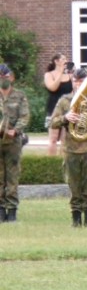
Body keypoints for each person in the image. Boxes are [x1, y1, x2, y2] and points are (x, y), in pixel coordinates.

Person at [49, 68, 87, 227]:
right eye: (76, 81)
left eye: (82, 81)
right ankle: (75, 222)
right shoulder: (64, 101)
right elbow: (52, 122)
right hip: (70, 149)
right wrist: (65, 118)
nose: (78, 84)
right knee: (74, 188)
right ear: (72, 82)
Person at [0, 64, 31, 222]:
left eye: (4, 76)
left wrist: (16, 130)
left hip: (13, 141)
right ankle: (0, 210)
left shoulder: (19, 95)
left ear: (11, 77)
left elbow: (25, 116)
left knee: (12, 177)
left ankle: (11, 210)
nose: (2, 79)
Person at [43, 53, 73, 155]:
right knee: (53, 138)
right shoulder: (49, 74)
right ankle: (52, 162)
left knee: (65, 139)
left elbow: (74, 91)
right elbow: (52, 88)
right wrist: (60, 72)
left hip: (67, 108)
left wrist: (72, 74)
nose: (66, 61)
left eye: (66, 59)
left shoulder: (69, 75)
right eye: (63, 59)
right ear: (56, 61)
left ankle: (63, 162)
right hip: (53, 108)